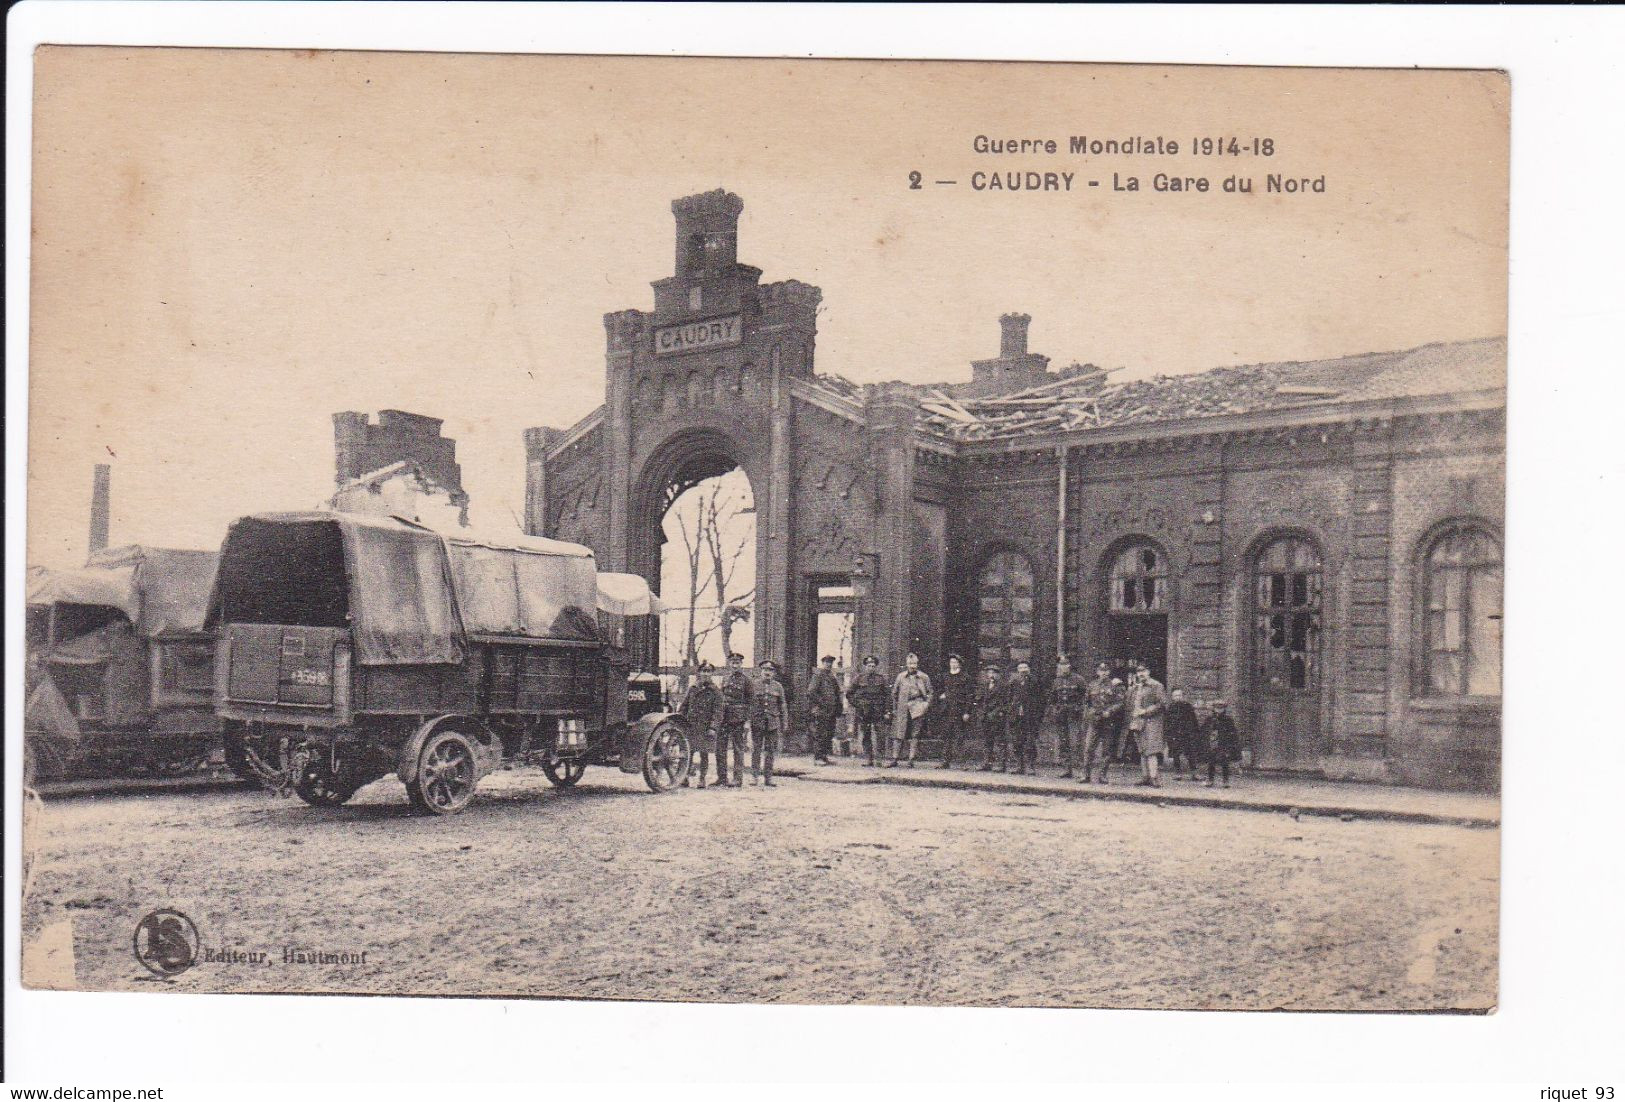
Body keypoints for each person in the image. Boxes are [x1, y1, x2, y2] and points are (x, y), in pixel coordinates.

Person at [679, 662, 723, 788]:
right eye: (703, 671)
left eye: (708, 671)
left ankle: (702, 779)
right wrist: (680, 720)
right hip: (691, 725)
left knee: (704, 754)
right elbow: (684, 706)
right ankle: (684, 777)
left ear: (712, 674)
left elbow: (718, 712)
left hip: (706, 727)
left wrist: (713, 727)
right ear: (699, 673)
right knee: (688, 752)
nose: (705, 674)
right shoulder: (693, 688)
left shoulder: (716, 691)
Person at [717, 652, 755, 788]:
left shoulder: (746, 680)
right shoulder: (725, 679)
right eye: (732, 663)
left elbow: (751, 702)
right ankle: (722, 778)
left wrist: (747, 721)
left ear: (741, 664)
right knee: (720, 747)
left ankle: (737, 779)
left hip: (738, 718)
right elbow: (721, 697)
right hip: (723, 717)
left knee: (738, 748)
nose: (734, 665)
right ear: (729, 664)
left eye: (737, 663)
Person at [1081, 661, 1123, 784]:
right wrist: (1090, 713)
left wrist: (1110, 711)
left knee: (1107, 749)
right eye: (1101, 670)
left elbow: (1120, 702)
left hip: (1108, 721)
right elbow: (1087, 703)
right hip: (1094, 721)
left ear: (1109, 672)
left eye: (1106, 671)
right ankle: (1086, 775)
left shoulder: (1115, 685)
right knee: (1089, 748)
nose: (1103, 673)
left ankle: (1102, 775)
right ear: (1097, 672)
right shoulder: (1092, 685)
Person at [1127, 663, 1168, 787]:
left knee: (1151, 751)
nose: (1141, 674)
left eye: (1143, 671)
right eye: (1138, 672)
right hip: (1139, 722)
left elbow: (1162, 704)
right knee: (1142, 750)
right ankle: (1146, 777)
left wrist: (1146, 711)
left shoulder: (1156, 686)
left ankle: (1154, 777)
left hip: (1152, 722)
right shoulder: (1136, 687)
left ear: (1148, 672)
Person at [889, 653, 933, 767]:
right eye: (910, 663)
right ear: (906, 664)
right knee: (899, 733)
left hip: (917, 706)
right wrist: (895, 707)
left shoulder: (924, 677)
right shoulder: (901, 677)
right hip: (903, 707)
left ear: (917, 664)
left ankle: (911, 759)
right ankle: (895, 759)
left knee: (915, 733)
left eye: (914, 663)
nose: (912, 666)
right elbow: (894, 692)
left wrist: (925, 705)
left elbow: (930, 692)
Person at [751, 660, 790, 786]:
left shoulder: (778, 686)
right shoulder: (754, 685)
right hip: (757, 721)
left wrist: (784, 722)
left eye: (770, 670)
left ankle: (768, 777)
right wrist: (748, 722)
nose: (767, 673)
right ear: (761, 671)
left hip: (773, 722)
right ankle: (754, 777)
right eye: (765, 670)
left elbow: (783, 705)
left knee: (770, 750)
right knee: (756, 749)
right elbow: (749, 705)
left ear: (773, 673)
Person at [1047, 655, 1087, 778]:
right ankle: (1067, 769)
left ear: (1070, 666)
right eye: (1061, 665)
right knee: (1063, 741)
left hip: (1075, 714)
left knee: (1076, 742)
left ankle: (1080, 769)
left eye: (1066, 665)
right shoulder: (1056, 681)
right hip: (1061, 715)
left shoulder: (1078, 679)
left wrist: (1080, 708)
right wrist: (1054, 709)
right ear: (1059, 667)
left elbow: (1086, 696)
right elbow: (1052, 698)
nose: (1064, 667)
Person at [846, 655, 890, 767]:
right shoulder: (859, 678)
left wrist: (887, 711)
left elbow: (888, 696)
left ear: (876, 667)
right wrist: (857, 704)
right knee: (866, 735)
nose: (871, 667)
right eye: (869, 666)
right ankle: (869, 759)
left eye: (873, 666)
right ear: (865, 666)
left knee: (880, 735)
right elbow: (849, 694)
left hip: (878, 711)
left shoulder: (881, 679)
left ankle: (879, 759)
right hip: (864, 712)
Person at [803, 655, 843, 766]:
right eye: (826, 662)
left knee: (829, 734)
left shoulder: (831, 677)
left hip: (831, 711)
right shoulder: (818, 676)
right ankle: (817, 758)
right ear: (823, 663)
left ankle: (824, 756)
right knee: (820, 734)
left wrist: (838, 706)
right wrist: (822, 703)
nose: (829, 664)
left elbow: (836, 693)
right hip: (821, 710)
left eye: (830, 662)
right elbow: (811, 692)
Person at [1004, 660, 1042, 775]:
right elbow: (1009, 698)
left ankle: (1030, 766)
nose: (1023, 670)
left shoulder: (1034, 681)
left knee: (1030, 742)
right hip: (1016, 716)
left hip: (1030, 717)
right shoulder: (1013, 682)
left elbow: (1041, 700)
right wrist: (1011, 711)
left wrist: (1037, 715)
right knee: (1017, 741)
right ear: (1017, 670)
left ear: (1029, 669)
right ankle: (1019, 766)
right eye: (1020, 668)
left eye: (1025, 667)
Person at [937, 653, 973, 769]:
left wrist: (967, 712)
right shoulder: (945, 676)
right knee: (947, 736)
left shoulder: (965, 677)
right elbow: (939, 690)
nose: (953, 664)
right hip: (947, 711)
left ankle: (962, 763)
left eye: (955, 662)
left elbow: (969, 696)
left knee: (959, 737)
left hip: (959, 711)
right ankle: (945, 761)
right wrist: (942, 696)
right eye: (951, 662)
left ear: (959, 664)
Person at [974, 663, 1007, 771]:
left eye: (993, 673)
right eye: (989, 673)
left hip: (997, 716)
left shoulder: (1002, 686)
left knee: (999, 741)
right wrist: (980, 712)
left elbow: (1004, 702)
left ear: (998, 675)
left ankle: (1001, 764)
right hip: (985, 716)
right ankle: (987, 763)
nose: (991, 675)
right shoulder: (984, 685)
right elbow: (979, 699)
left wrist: (997, 712)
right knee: (987, 741)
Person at [1164, 689, 1202, 782]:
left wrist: (1195, 732)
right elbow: (1167, 722)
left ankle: (1194, 773)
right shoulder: (1170, 708)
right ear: (1172, 698)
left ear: (1183, 696)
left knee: (1191, 754)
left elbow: (1194, 720)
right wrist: (1168, 734)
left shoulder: (1188, 706)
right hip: (1175, 734)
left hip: (1187, 734)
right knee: (1176, 754)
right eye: (1176, 696)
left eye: (1179, 695)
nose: (1178, 697)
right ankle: (1177, 773)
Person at [1203, 699, 1242, 788]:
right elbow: (1205, 730)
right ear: (1214, 708)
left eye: (1221, 708)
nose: (1219, 710)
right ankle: (1210, 779)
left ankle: (1225, 781)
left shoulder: (1228, 719)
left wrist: (1231, 743)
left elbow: (1232, 732)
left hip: (1224, 743)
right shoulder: (1210, 718)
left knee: (1225, 762)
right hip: (1212, 742)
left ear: (1224, 709)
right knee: (1211, 761)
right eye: (1217, 708)